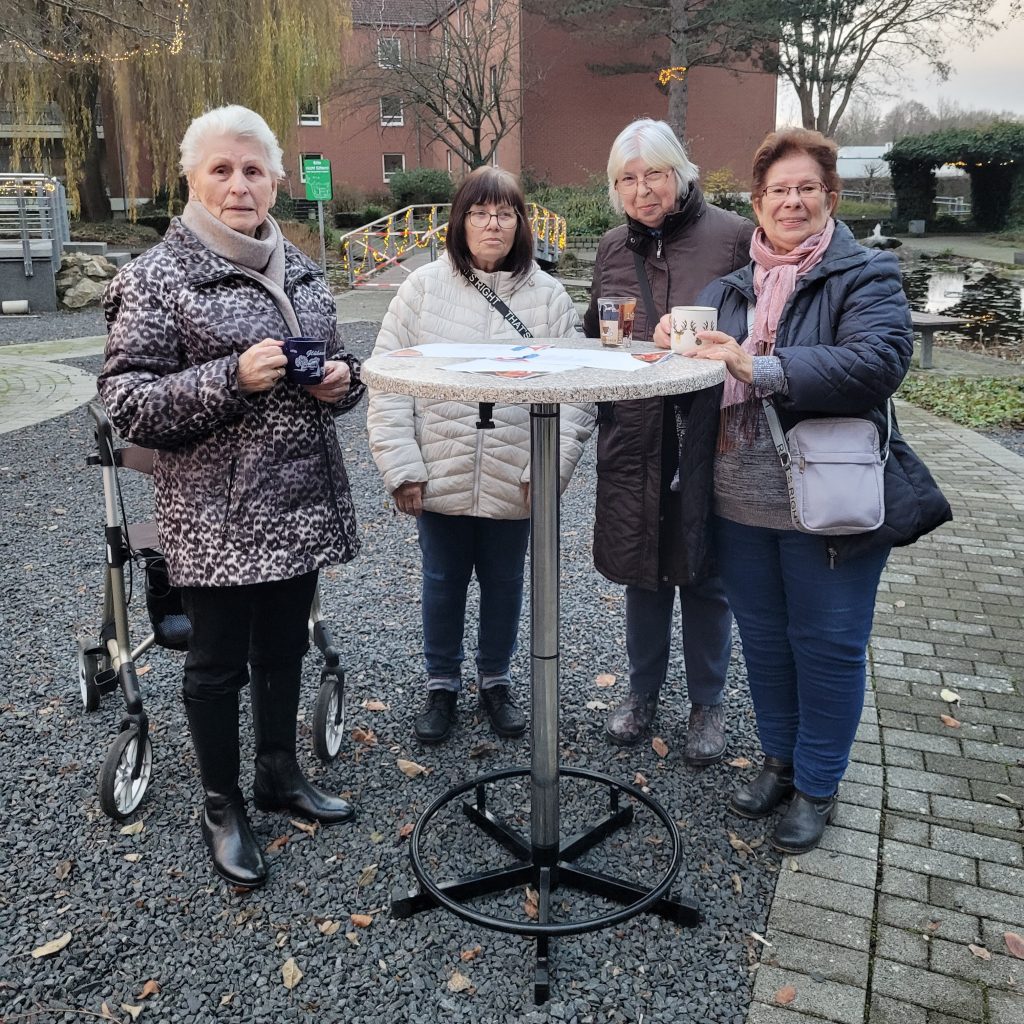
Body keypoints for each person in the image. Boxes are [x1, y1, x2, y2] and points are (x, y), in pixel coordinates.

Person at [654, 127, 951, 853]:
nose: (792, 201)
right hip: (739, 504)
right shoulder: (729, 290)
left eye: (805, 188)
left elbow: (878, 362)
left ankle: (818, 784)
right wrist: (669, 344)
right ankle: (780, 761)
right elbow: (695, 380)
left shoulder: (866, 275)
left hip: (829, 502)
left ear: (829, 197)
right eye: (778, 190)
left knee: (828, 645)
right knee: (766, 643)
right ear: (756, 204)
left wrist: (763, 366)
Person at [99, 105, 364, 889]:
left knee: (284, 644)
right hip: (215, 512)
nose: (239, 184)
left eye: (253, 169)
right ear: (192, 179)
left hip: (300, 501)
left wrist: (345, 384)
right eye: (222, 169)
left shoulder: (305, 270)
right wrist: (228, 379)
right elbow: (129, 403)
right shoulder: (154, 278)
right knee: (217, 663)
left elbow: (346, 368)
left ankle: (278, 774)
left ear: (277, 180)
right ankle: (221, 804)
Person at [367, 166, 594, 744]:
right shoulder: (421, 289)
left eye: (505, 213)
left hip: (516, 470)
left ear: (521, 222)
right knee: (442, 580)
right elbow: (388, 380)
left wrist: (548, 471)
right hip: (439, 465)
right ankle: (440, 683)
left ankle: (496, 679)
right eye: (479, 213)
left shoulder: (548, 297)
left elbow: (579, 391)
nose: (492, 224)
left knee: (504, 582)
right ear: (460, 221)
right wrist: (402, 467)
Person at [583, 119, 753, 763]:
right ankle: (642, 692)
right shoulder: (609, 249)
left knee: (706, 576)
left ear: (680, 173)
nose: (641, 189)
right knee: (642, 573)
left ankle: (707, 704)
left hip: (708, 431)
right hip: (634, 433)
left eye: (653, 173)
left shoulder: (733, 237)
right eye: (627, 179)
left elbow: (757, 329)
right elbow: (596, 333)